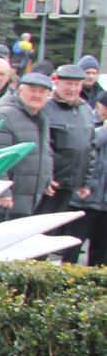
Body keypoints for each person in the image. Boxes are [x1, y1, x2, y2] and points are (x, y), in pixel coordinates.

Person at [0, 72, 55, 222]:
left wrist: (47, 179)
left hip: (29, 198)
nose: (37, 95)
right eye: (32, 90)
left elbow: (45, 151)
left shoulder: (42, 117)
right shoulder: (4, 115)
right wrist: (2, 191)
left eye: (42, 91)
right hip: (7, 201)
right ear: (20, 91)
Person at [40, 63, 94, 217]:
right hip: (51, 184)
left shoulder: (85, 110)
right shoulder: (46, 108)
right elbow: (43, 149)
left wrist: (85, 182)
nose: (72, 89)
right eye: (68, 84)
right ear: (57, 83)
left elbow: (90, 148)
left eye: (76, 84)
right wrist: (46, 178)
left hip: (71, 185)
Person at [70, 98, 107, 264]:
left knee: (101, 251)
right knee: (73, 245)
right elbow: (85, 145)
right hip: (85, 197)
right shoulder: (88, 120)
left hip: (104, 202)